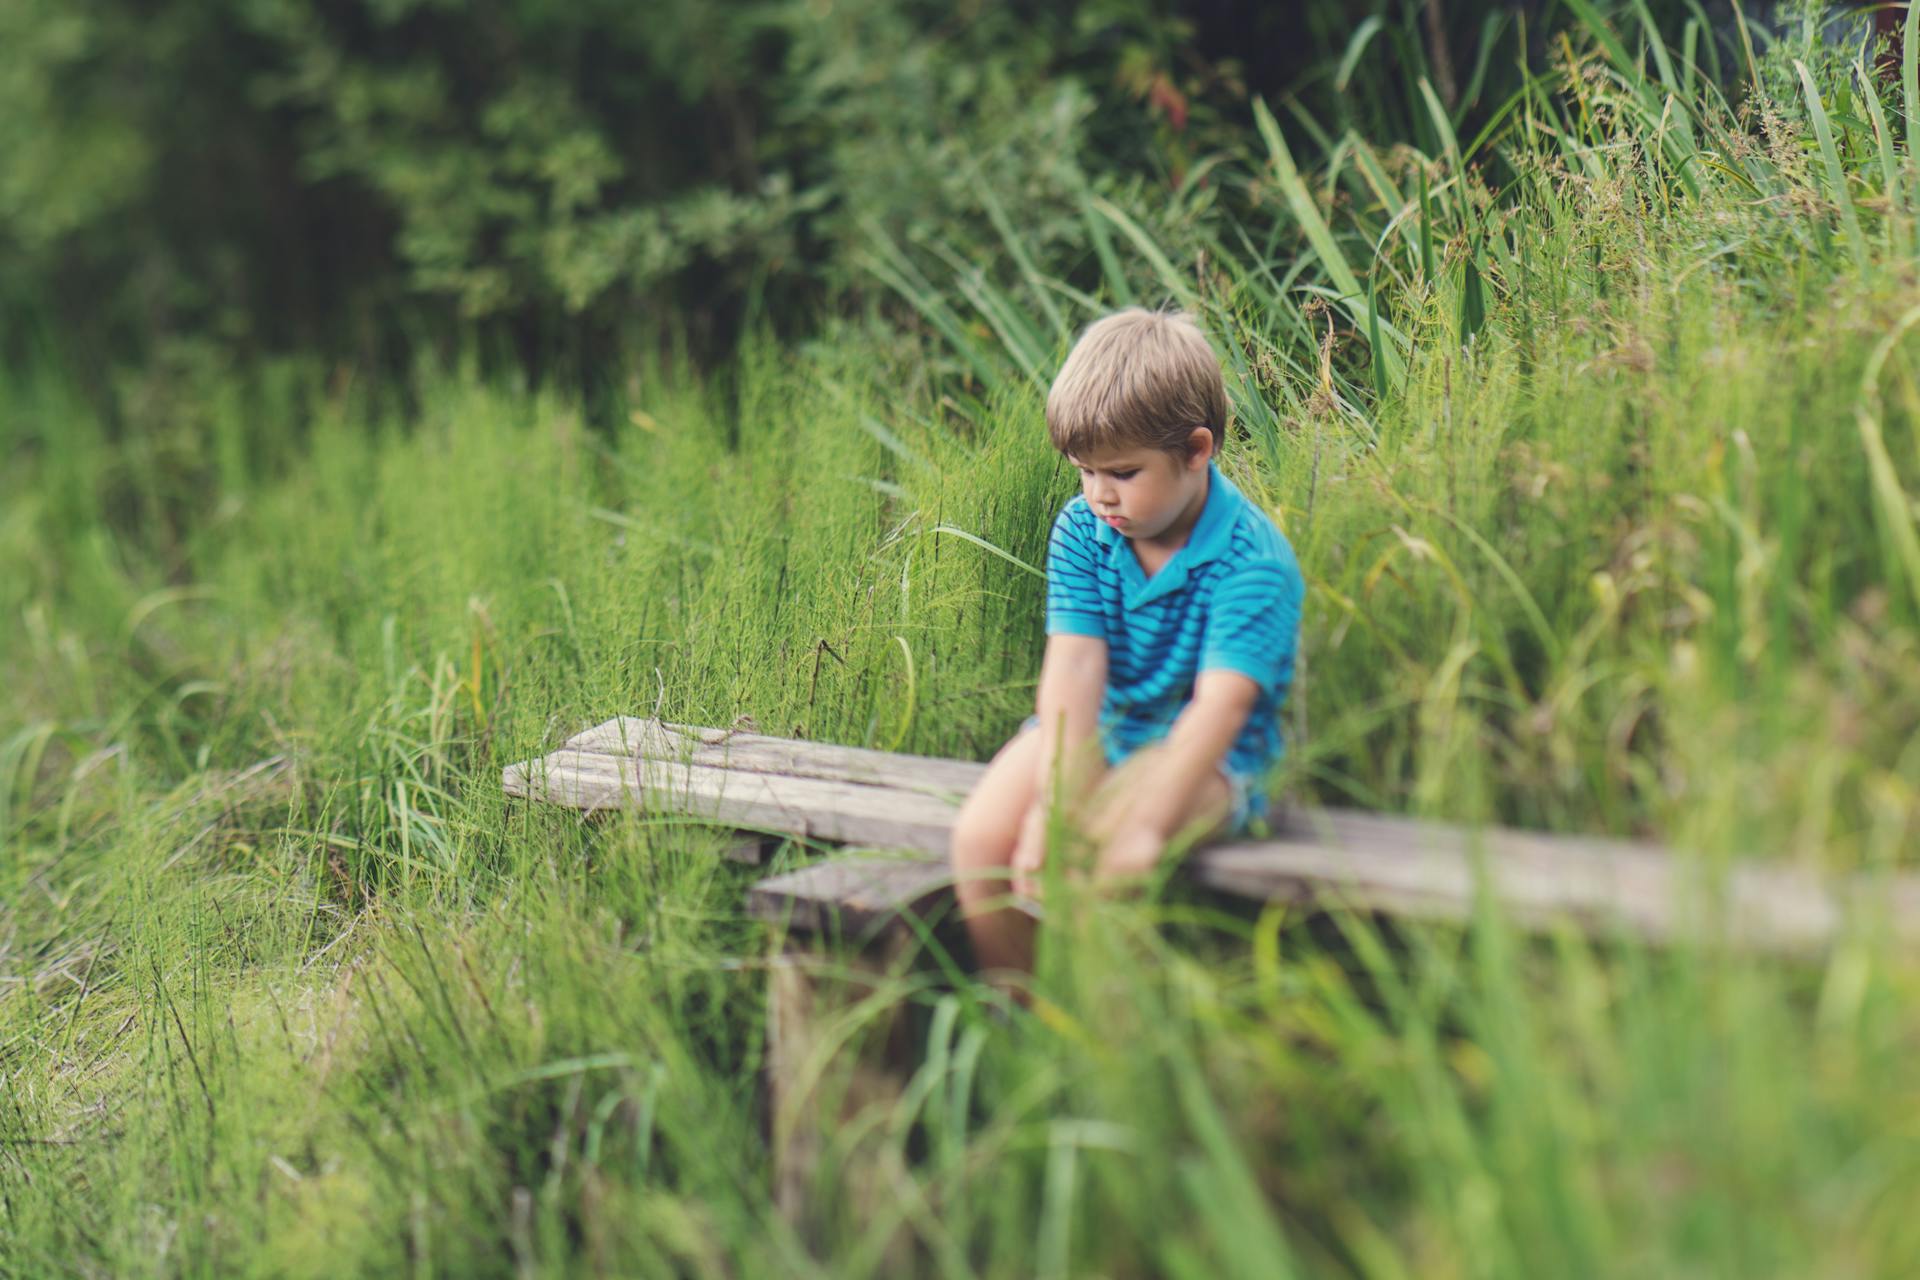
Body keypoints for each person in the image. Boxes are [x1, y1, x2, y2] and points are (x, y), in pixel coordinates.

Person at [948, 307, 1305, 978]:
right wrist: (1054, 799)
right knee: (979, 839)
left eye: (1123, 473)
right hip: (1107, 725)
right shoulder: (1085, 530)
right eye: (1085, 472)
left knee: (1098, 860)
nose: (1099, 495)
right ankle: (1023, 1015)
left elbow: (1220, 710)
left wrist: (1141, 828)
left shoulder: (1253, 562)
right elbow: (1075, 669)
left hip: (1209, 758)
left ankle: (1113, 1056)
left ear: (1197, 451)